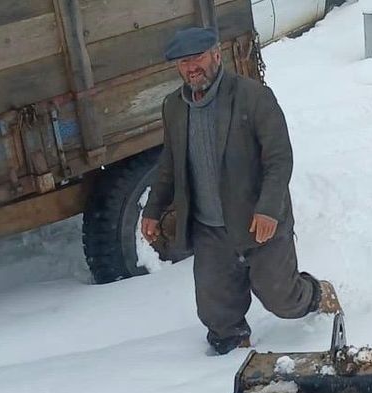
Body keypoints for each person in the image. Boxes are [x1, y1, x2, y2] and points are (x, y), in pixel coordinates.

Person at [141, 26, 341, 355]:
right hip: (210, 228)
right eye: (183, 62)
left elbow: (279, 159)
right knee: (216, 312)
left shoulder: (253, 97)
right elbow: (170, 164)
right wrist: (152, 209)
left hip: (257, 218)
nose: (191, 68)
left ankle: (317, 294)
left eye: (198, 58)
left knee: (282, 299)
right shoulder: (174, 107)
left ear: (217, 55)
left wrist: (268, 209)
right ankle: (228, 356)